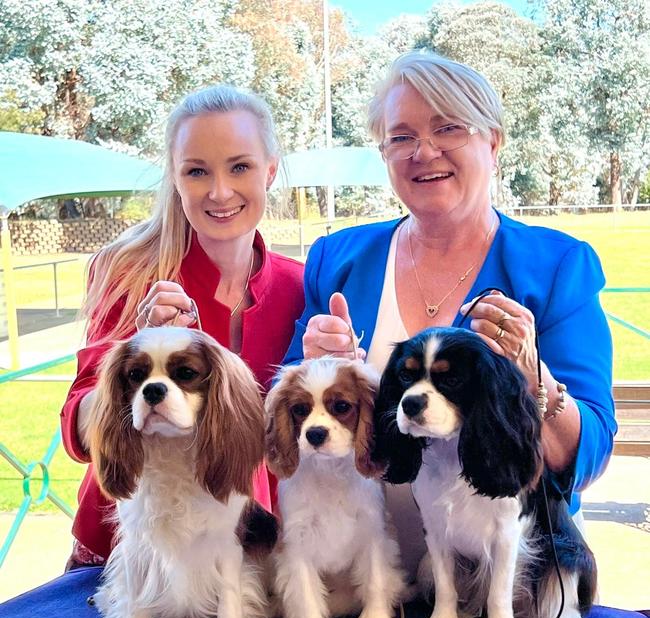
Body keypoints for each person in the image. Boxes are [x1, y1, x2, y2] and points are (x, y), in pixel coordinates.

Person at [283, 50, 616, 578]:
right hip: (360, 582)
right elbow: (283, 436)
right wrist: (309, 373)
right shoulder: (336, 260)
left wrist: (535, 381)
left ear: (494, 142)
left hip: (500, 587)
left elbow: (586, 460)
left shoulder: (557, 266)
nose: (424, 151)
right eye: (401, 136)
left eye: (448, 127)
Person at [60, 85, 304, 567]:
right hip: (131, 552)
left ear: (270, 170)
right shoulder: (128, 273)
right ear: (175, 177)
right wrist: (134, 358)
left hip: (245, 552)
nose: (219, 191)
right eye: (197, 171)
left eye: (240, 166)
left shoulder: (300, 286)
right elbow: (79, 432)